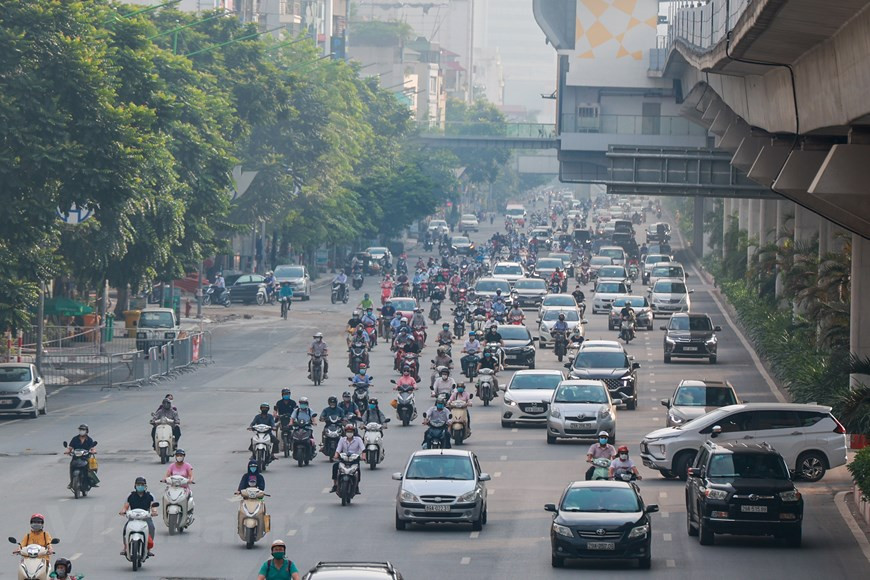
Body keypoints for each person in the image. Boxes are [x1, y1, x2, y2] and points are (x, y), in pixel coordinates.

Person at [119, 477, 156, 557]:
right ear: (135, 486)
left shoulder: (150, 496)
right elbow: (126, 506)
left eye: (142, 484)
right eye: (138, 484)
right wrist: (123, 511)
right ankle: (125, 547)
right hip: (133, 517)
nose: (140, 486)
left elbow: (153, 506)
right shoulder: (130, 495)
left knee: (151, 527)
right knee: (125, 529)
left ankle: (148, 549)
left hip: (145, 517)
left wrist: (154, 512)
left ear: (145, 486)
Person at [331, 424, 365, 493]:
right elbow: (338, 450)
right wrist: (336, 455)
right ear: (345, 432)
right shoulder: (342, 439)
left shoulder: (358, 440)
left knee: (357, 471)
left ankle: (356, 486)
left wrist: (363, 457)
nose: (349, 433)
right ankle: (335, 485)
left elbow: (363, 450)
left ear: (354, 432)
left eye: (351, 431)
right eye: (348, 431)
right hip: (344, 459)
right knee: (335, 466)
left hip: (354, 460)